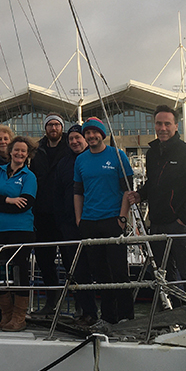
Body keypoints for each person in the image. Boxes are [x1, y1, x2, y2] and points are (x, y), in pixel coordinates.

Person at [127, 105, 186, 302]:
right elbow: (154, 184)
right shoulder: (152, 153)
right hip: (156, 225)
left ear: (176, 126)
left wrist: (183, 219)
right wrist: (140, 195)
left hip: (179, 226)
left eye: (167, 124)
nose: (162, 128)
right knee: (163, 278)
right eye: (158, 123)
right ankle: (171, 319)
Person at [73, 117, 135, 324]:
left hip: (112, 219)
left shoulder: (117, 156)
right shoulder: (80, 160)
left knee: (119, 270)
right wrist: (79, 219)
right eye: (87, 133)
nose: (91, 136)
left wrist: (123, 217)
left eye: (94, 132)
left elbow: (128, 189)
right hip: (90, 221)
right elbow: (78, 192)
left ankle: (126, 316)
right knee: (100, 274)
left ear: (102, 134)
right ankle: (108, 317)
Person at [0, 136, 38, 332]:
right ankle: (6, 313)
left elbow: (25, 204)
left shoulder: (29, 176)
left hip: (22, 229)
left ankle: (19, 317)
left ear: (27, 154)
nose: (19, 154)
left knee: (19, 271)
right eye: (16, 150)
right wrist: (8, 200)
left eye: (23, 151)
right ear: (10, 151)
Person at [53, 124, 97, 323]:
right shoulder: (63, 164)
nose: (74, 141)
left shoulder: (95, 159)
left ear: (86, 138)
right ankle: (86, 311)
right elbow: (58, 192)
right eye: (70, 138)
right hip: (69, 224)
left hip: (95, 221)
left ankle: (111, 313)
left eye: (78, 137)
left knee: (100, 268)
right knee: (76, 270)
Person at [29, 113, 71, 315]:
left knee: (71, 259)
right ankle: (51, 303)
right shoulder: (37, 150)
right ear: (45, 128)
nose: (53, 128)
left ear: (61, 127)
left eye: (57, 125)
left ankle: (80, 304)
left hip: (64, 212)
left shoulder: (70, 148)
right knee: (45, 261)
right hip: (42, 212)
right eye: (50, 125)